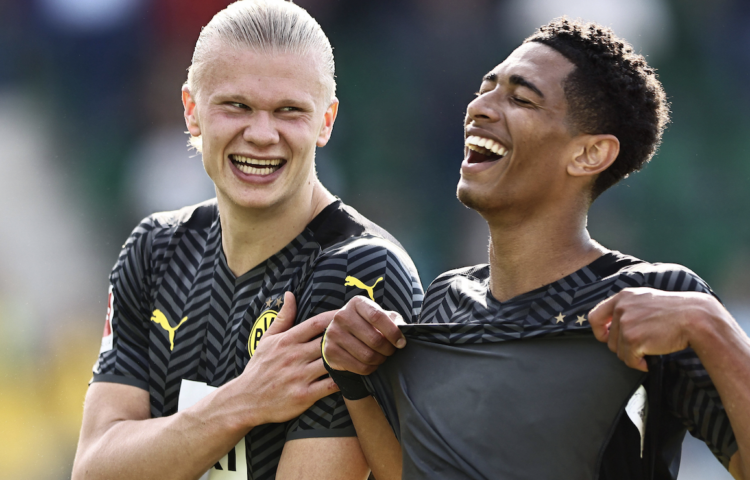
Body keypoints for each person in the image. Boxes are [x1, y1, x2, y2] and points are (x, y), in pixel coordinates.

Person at [322, 18, 749, 480]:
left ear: (588, 154)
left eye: (521, 99)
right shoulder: (445, 298)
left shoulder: (662, 297)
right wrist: (354, 380)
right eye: (485, 89)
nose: (480, 108)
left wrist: (709, 325)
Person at [71, 1, 423, 479]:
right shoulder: (153, 250)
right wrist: (242, 401)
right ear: (192, 111)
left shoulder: (358, 275)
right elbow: (93, 469)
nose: (261, 134)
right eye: (236, 106)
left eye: (289, 111)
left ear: (326, 121)